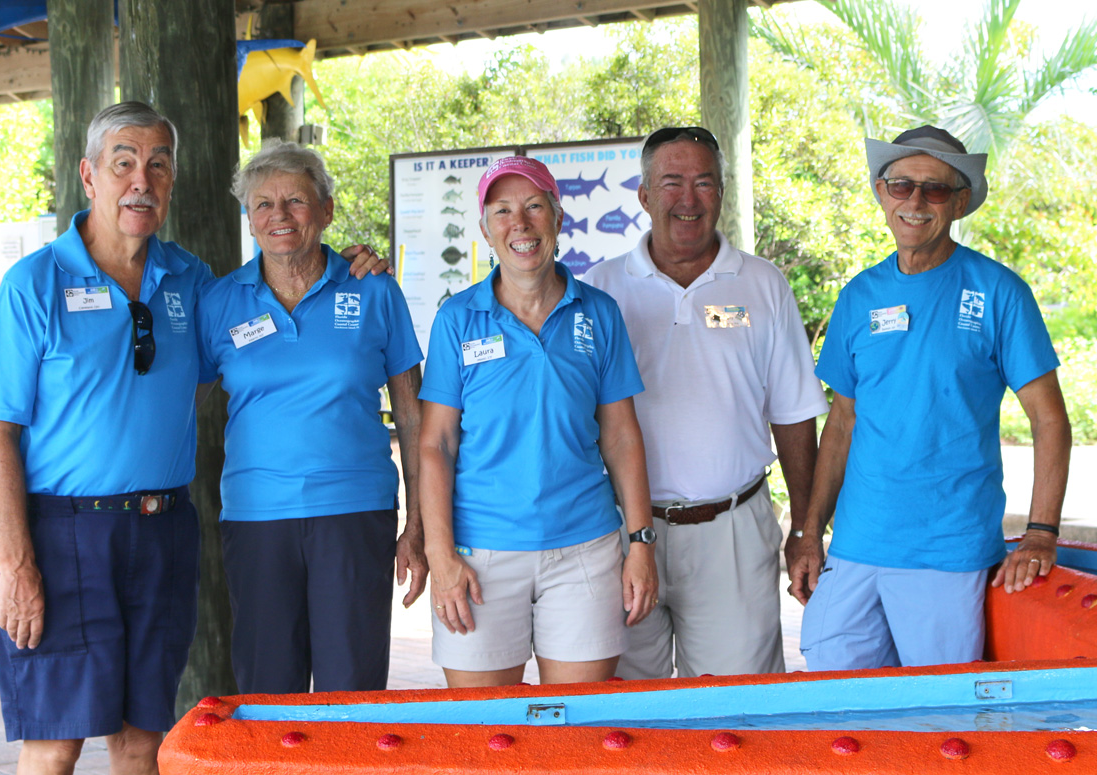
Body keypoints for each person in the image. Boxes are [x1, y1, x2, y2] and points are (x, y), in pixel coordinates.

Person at [0, 103, 388, 775]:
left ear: (173, 180)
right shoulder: (34, 285)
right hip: (62, 533)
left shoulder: (192, 282)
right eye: (123, 162)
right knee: (54, 744)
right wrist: (16, 564)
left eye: (159, 163)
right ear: (88, 175)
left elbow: (286, 312)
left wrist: (352, 266)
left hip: (163, 532)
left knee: (142, 743)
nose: (142, 179)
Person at [793, 125, 1071, 670]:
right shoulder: (859, 295)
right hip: (855, 547)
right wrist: (807, 532)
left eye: (935, 189)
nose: (915, 201)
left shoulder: (998, 291)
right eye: (901, 185)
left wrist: (1040, 534)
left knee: (936, 726)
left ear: (960, 202)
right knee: (839, 716)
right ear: (881, 192)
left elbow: (1049, 420)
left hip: (948, 553)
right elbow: (843, 422)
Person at [583, 126, 828, 679]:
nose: (688, 199)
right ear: (644, 195)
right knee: (622, 710)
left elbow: (793, 414)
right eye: (671, 182)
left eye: (704, 183)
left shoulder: (762, 286)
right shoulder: (600, 291)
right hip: (619, 533)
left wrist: (806, 531)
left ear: (722, 192)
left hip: (733, 532)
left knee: (738, 714)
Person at [196, 139, 427, 694]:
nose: (280, 216)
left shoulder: (373, 290)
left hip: (355, 513)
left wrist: (417, 524)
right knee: (268, 691)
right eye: (263, 204)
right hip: (255, 520)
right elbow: (175, 403)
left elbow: (415, 418)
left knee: (353, 691)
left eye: (296, 201)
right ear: (249, 218)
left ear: (325, 210)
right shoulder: (219, 302)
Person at [419, 156, 658, 688]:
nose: (519, 224)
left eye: (533, 207)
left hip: (585, 550)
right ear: (484, 229)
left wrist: (640, 542)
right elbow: (436, 444)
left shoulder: (598, 313)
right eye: (502, 211)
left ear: (557, 216)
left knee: (576, 734)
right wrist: (440, 555)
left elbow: (621, 436)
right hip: (478, 554)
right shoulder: (457, 318)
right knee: (486, 736)